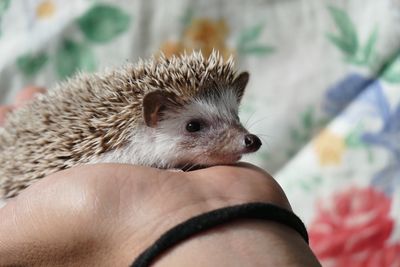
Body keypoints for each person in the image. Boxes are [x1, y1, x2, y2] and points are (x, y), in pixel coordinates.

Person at [0, 87, 321, 266]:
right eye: (195, 127)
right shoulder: (115, 151)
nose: (245, 139)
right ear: (154, 117)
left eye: (234, 119)